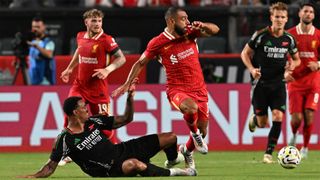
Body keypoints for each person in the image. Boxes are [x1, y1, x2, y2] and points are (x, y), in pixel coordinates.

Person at [18, 79, 196, 178]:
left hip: (122, 149)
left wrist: (130, 98)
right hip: (110, 169)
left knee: (171, 137)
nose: (87, 109)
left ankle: (172, 160)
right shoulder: (65, 139)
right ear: (74, 112)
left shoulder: (93, 121)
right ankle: (179, 172)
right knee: (135, 165)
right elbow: (50, 167)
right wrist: (33, 176)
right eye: (83, 107)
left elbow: (126, 119)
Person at [112, 7, 219, 169]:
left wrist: (203, 25)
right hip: (177, 90)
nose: (187, 22)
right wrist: (127, 83)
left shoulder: (191, 32)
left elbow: (215, 30)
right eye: (183, 19)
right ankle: (195, 135)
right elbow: (140, 62)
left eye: (187, 18)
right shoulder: (158, 42)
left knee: (203, 129)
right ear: (171, 21)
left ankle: (187, 150)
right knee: (191, 109)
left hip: (200, 89)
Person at [59, 9, 126, 165]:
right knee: (70, 114)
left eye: (99, 21)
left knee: (105, 127)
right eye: (94, 21)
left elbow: (121, 58)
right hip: (80, 85)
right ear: (86, 22)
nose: (97, 24)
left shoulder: (106, 40)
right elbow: (79, 51)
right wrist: (70, 68)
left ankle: (116, 151)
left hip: (98, 90)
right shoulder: (80, 36)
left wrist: (107, 69)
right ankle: (67, 151)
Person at [241, 2, 301, 163]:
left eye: (282, 17)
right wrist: (252, 69)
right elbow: (245, 53)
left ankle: (268, 153)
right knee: (262, 123)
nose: (279, 20)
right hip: (260, 84)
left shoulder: (289, 39)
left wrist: (291, 68)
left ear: (287, 19)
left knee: (278, 116)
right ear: (271, 17)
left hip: (279, 84)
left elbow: (297, 60)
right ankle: (255, 120)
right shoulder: (261, 35)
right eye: (276, 17)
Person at [287, 3, 320, 159]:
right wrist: (286, 70)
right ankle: (293, 135)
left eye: (311, 12)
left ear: (313, 16)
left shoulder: (319, 35)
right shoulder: (290, 34)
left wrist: (318, 64)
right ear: (300, 13)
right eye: (305, 11)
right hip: (295, 81)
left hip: (313, 82)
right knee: (297, 119)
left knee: (309, 115)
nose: (308, 14)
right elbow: (282, 56)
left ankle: (305, 148)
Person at [28, 16, 56, 85]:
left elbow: (49, 54)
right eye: (33, 27)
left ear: (44, 27)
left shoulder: (49, 42)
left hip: (46, 81)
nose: (35, 29)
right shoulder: (31, 41)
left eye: (38, 27)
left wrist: (37, 47)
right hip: (33, 79)